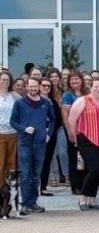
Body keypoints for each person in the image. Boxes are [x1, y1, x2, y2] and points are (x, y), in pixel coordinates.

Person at [10, 77, 55, 215]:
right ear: (27, 87)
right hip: (25, 142)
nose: (33, 89)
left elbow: (52, 119)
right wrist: (24, 129)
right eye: (31, 86)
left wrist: (49, 134)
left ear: (39, 87)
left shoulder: (45, 103)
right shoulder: (19, 103)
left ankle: (33, 202)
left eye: (36, 86)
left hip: (40, 143)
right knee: (25, 174)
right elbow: (13, 121)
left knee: (36, 175)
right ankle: (24, 204)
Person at [68, 77, 99, 211]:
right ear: (90, 87)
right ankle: (82, 199)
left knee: (97, 171)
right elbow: (71, 120)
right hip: (86, 138)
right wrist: (75, 138)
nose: (98, 89)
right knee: (94, 168)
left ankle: (92, 200)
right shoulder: (82, 101)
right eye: (96, 86)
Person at [62, 71, 87, 195]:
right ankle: (75, 186)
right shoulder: (67, 95)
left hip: (86, 132)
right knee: (74, 159)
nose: (74, 81)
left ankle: (83, 185)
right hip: (73, 131)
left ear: (81, 80)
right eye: (72, 80)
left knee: (84, 159)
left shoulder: (86, 94)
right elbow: (65, 115)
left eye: (76, 79)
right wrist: (70, 132)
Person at [39, 78, 62, 197]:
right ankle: (33, 187)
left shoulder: (53, 102)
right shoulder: (33, 100)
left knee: (47, 161)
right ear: (39, 86)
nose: (46, 88)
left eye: (48, 86)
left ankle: (43, 187)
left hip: (50, 136)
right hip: (35, 136)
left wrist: (50, 133)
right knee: (35, 161)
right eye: (44, 85)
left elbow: (58, 120)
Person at [0, 71, 21, 189]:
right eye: (3, 79)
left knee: (11, 164)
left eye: (7, 80)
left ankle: (6, 193)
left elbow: (23, 108)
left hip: (13, 134)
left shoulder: (14, 96)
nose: (5, 82)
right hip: (0, 134)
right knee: (0, 164)